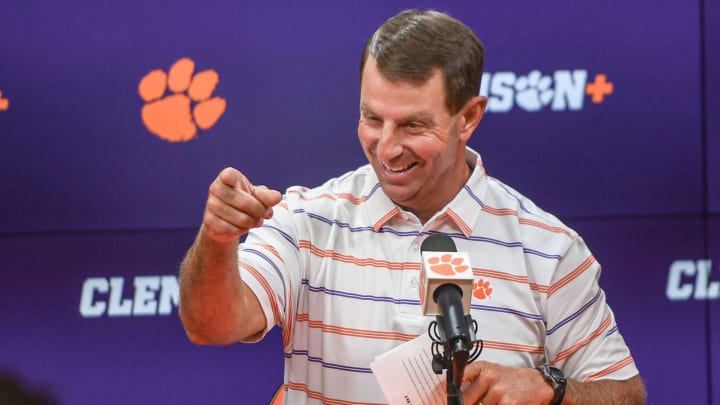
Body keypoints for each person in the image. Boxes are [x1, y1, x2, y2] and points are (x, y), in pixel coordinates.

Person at [179, 9, 646, 405]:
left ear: (469, 117)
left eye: (412, 125)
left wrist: (549, 388)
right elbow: (210, 325)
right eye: (371, 118)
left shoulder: (548, 249)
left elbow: (625, 393)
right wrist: (218, 240)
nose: (385, 148)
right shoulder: (306, 221)